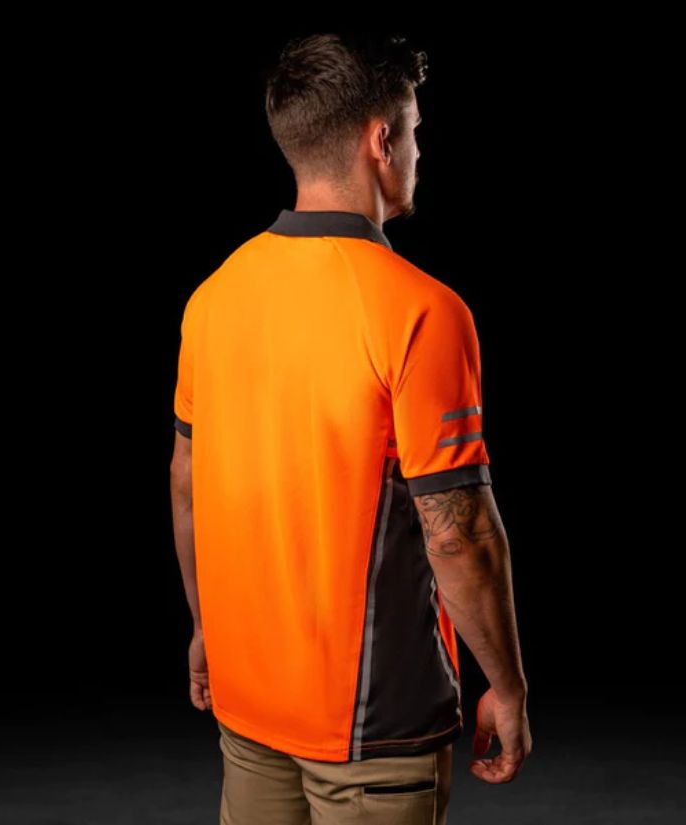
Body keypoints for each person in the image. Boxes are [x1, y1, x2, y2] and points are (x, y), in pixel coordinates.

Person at [169, 31, 532, 824]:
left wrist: (203, 628)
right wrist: (507, 685)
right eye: (416, 130)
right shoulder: (423, 310)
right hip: (374, 729)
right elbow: (458, 533)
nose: (419, 150)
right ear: (381, 141)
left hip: (247, 700)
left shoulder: (213, 296)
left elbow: (188, 484)